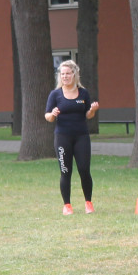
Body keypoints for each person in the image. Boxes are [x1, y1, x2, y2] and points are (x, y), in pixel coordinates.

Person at [44, 60, 100, 215]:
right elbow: (47, 116)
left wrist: (93, 110)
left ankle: (88, 202)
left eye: (68, 73)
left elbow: (88, 114)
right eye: (62, 74)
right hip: (63, 137)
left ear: (74, 74)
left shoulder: (83, 93)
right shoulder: (55, 94)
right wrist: (53, 114)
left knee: (84, 169)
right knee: (65, 171)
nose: (65, 76)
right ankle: (67, 205)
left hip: (81, 136)